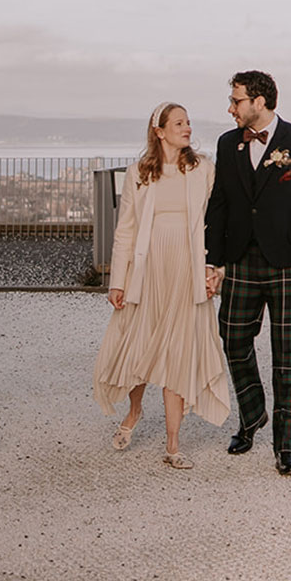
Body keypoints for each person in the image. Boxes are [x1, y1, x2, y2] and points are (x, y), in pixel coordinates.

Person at [204, 71, 291, 476]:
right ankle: (253, 411)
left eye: (236, 100)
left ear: (259, 101)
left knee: (289, 358)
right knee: (232, 338)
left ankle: (286, 446)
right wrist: (215, 261)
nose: (230, 107)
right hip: (241, 260)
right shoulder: (228, 144)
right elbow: (220, 204)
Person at [93, 102, 229, 467]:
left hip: (187, 268)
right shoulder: (139, 171)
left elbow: (216, 224)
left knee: (179, 353)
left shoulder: (203, 169)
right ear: (159, 130)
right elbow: (126, 230)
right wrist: (117, 282)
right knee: (141, 346)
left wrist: (214, 270)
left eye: (188, 122)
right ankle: (134, 412)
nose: (187, 127)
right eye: (179, 122)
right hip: (148, 269)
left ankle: (172, 445)